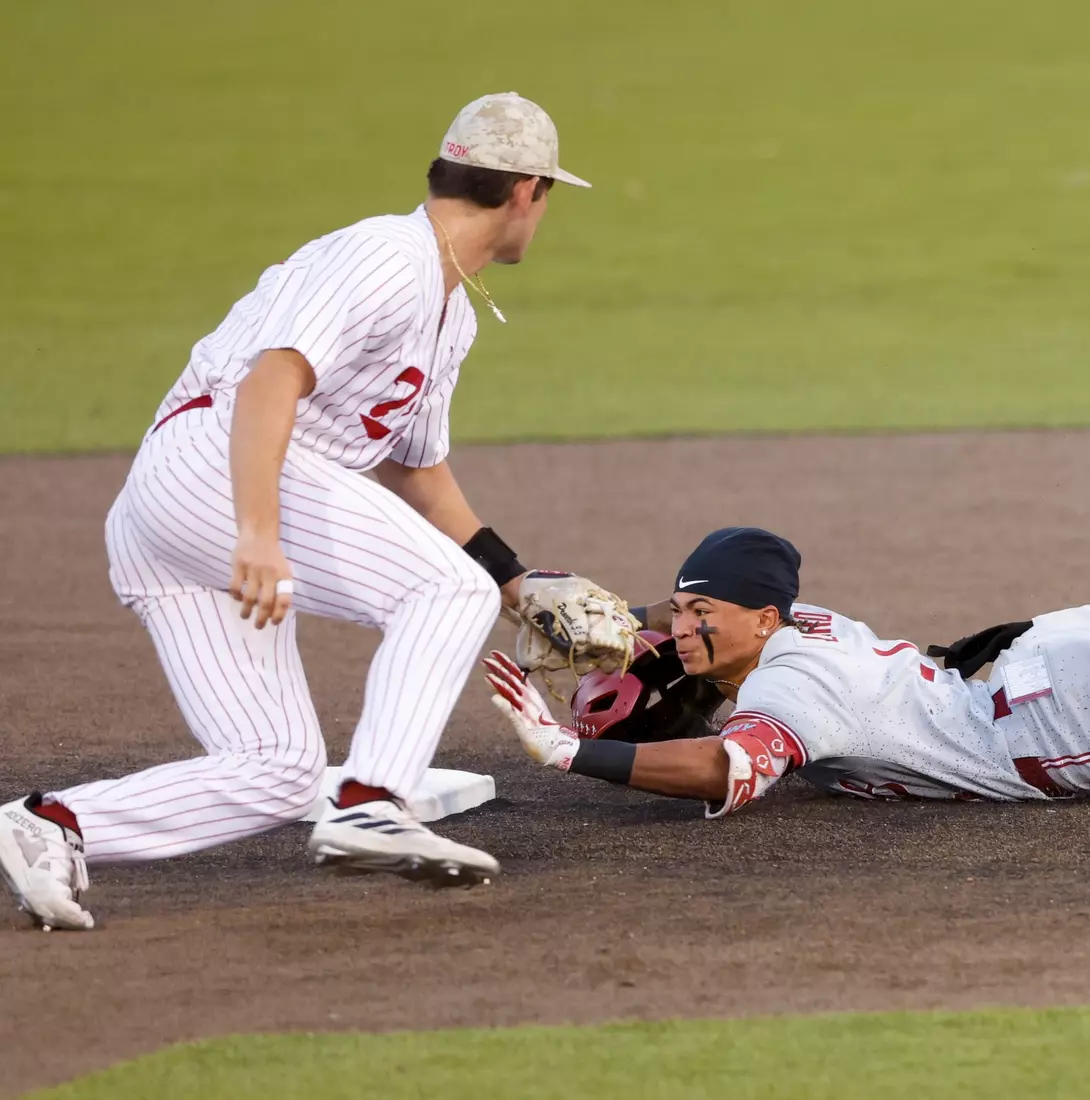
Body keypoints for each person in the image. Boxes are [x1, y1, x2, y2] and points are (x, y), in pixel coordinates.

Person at [485, 185, 1090, 815]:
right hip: (1063, 654)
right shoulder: (785, 626)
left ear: (756, 617)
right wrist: (567, 605)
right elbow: (689, 617)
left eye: (692, 613)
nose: (675, 626)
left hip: (1068, 718)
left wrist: (570, 751)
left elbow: (726, 769)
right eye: (678, 617)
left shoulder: (792, 691)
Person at [0, 93, 635, 932]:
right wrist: (257, 531)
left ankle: (47, 825)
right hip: (214, 469)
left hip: (180, 519)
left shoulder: (449, 313)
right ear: (527, 191)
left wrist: (517, 583)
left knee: (278, 768)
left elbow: (415, 470)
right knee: (445, 593)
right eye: (547, 197)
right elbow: (271, 380)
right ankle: (373, 799)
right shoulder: (386, 255)